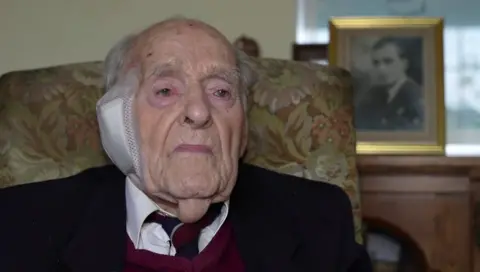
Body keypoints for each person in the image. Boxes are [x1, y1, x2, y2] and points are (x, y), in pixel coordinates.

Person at [0, 17, 371, 272]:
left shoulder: (318, 220)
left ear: (242, 128)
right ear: (115, 119)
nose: (198, 111)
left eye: (221, 92)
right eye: (165, 90)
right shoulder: (20, 225)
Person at [355, 37, 423, 131]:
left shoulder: (416, 96)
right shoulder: (371, 95)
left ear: (404, 64)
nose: (381, 69)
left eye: (388, 61)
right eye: (376, 63)